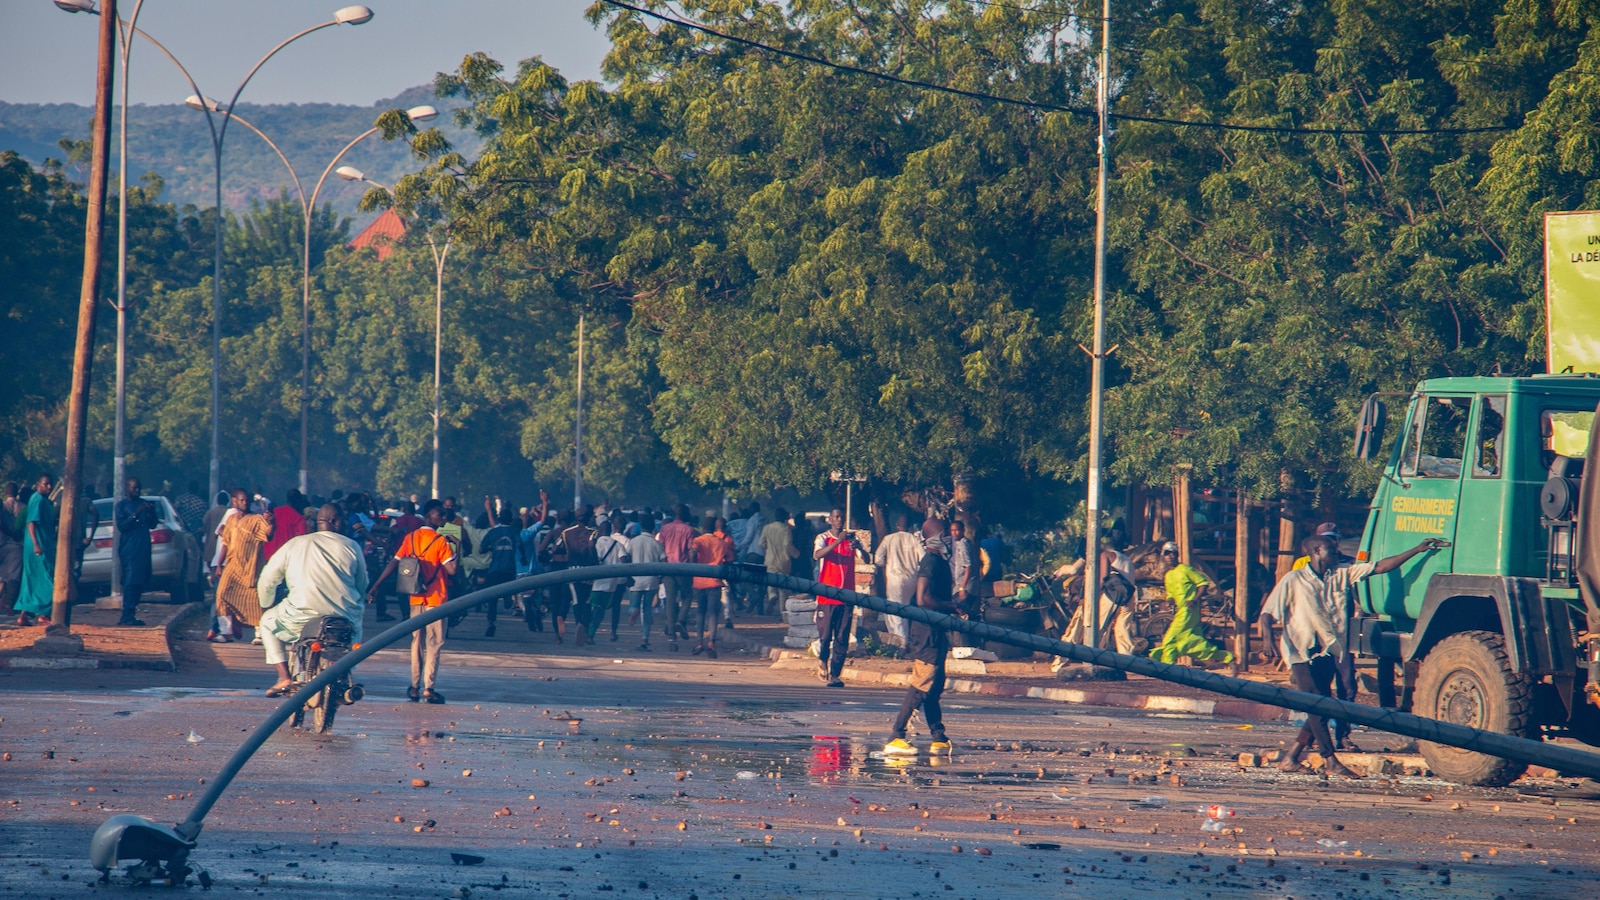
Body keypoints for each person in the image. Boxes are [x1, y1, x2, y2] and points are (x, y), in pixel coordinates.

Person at [1258, 534, 1445, 778]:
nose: (1336, 552)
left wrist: (1417, 549)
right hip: (1301, 652)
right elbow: (1267, 614)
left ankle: (1291, 756)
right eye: (1331, 549)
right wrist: (1267, 640)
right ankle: (1329, 759)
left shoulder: (1341, 574)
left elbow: (1380, 566)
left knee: (1323, 707)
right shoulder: (1293, 579)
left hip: (1328, 651)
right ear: (1316, 550)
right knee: (1316, 704)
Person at [255, 504, 369, 696]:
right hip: (343, 615)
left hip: (301, 614)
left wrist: (266, 603)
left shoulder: (295, 544)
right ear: (334, 521)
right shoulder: (352, 546)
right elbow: (362, 583)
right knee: (355, 629)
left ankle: (284, 677)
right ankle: (344, 671)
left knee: (266, 622)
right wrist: (359, 601)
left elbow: (267, 579)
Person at [883, 518, 959, 756]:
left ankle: (938, 735)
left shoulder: (940, 561)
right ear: (932, 538)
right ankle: (896, 736)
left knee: (934, 687)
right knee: (921, 684)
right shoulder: (930, 562)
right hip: (927, 633)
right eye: (943, 533)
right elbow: (923, 598)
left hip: (936, 631)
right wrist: (951, 606)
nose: (947, 537)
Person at [369, 500, 457, 703]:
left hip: (415, 596)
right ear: (430, 517)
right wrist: (457, 546)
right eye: (440, 515)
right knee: (434, 643)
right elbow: (452, 570)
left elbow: (394, 562)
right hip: (436, 600)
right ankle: (429, 687)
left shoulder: (411, 537)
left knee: (416, 642)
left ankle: (414, 686)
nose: (443, 518)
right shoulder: (441, 542)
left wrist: (376, 584)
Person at [1290, 522, 1359, 748]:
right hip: (1315, 640)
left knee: (1347, 687)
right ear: (1316, 546)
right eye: (1326, 540)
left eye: (1333, 539)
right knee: (1321, 695)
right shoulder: (1301, 567)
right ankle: (1312, 745)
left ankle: (1342, 735)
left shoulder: (1346, 565)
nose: (1331, 544)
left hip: (1341, 637)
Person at [1146, 542, 1232, 664]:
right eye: (1167, 554)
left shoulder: (1186, 569)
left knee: (1170, 638)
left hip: (1189, 609)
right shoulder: (1168, 575)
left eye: (1173, 553)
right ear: (1163, 557)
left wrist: (1194, 599)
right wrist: (1168, 601)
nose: (1170, 556)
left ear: (1177, 555)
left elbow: (1203, 583)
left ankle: (1166, 665)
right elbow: (1170, 594)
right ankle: (1225, 657)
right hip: (1180, 610)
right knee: (1193, 641)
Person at [813, 507, 869, 687]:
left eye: (841, 518)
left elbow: (867, 559)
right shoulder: (823, 538)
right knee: (826, 635)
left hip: (847, 596)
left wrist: (859, 547)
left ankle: (835, 674)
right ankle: (822, 659)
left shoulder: (852, 539)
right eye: (836, 517)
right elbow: (817, 555)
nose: (839, 520)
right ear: (830, 519)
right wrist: (838, 542)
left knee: (842, 637)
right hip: (827, 595)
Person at [214, 489, 276, 641]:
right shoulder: (231, 519)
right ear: (234, 501)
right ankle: (226, 632)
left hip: (251, 567)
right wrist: (219, 564)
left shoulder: (256, 519)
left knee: (255, 600)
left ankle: (260, 634)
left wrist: (270, 522)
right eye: (241, 500)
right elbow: (225, 543)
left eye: (247, 500)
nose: (245, 503)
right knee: (222, 595)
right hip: (232, 566)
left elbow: (268, 535)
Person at [471, 501, 519, 638]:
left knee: (491, 597)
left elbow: (481, 549)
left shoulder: (493, 533)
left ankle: (491, 621)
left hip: (495, 569)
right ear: (511, 520)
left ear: (499, 519)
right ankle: (508, 596)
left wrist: (491, 548)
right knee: (509, 587)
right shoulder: (514, 532)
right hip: (510, 569)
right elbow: (520, 546)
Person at [873, 513, 923, 644]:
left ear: (897, 525)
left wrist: (885, 566)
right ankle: (902, 639)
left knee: (895, 611)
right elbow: (923, 558)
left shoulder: (889, 539)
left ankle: (901, 642)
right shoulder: (914, 539)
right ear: (909, 526)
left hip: (895, 579)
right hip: (911, 579)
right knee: (904, 609)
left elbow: (878, 559)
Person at [15, 474, 58, 627]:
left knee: (32, 579)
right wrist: (36, 544)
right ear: (38, 484)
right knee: (47, 578)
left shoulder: (46, 501)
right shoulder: (37, 499)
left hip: (45, 543)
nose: (49, 487)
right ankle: (44, 614)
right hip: (38, 546)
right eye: (46, 484)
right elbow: (31, 523)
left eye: (50, 484)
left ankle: (24, 615)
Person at [690, 516, 735, 657]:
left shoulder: (698, 541)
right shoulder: (722, 543)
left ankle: (699, 642)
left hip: (699, 581)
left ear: (703, 528)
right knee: (713, 613)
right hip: (715, 581)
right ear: (715, 528)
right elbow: (730, 558)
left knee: (700, 612)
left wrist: (693, 566)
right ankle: (712, 642)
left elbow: (692, 552)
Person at [112, 477, 154, 627]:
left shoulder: (142, 503)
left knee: (141, 581)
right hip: (129, 549)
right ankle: (126, 615)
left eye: (138, 488)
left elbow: (153, 524)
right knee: (130, 581)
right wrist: (136, 513)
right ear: (127, 488)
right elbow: (122, 526)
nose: (136, 491)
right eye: (134, 488)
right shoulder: (122, 506)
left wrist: (151, 511)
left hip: (143, 547)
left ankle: (132, 613)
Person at [657, 504, 696, 642]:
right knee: (687, 596)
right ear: (685, 514)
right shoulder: (689, 530)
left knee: (670, 600)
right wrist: (693, 567)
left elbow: (660, 549)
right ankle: (680, 620)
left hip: (667, 568)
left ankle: (671, 633)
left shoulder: (664, 529)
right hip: (683, 568)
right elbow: (692, 551)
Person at [627, 516, 666, 650]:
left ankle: (634, 611)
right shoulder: (657, 544)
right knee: (647, 610)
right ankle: (645, 639)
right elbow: (664, 562)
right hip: (651, 581)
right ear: (653, 528)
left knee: (634, 604)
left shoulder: (633, 542)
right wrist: (661, 577)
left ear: (641, 526)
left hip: (635, 580)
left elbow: (626, 558)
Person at [589, 519, 631, 641]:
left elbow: (593, 560)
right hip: (612, 584)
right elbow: (624, 560)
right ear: (611, 530)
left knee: (593, 607)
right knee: (601, 609)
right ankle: (591, 633)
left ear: (600, 530)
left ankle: (588, 631)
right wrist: (627, 576)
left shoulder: (595, 544)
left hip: (596, 583)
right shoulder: (618, 545)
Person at [757, 507, 799, 615]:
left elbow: (761, 544)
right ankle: (782, 613)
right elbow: (787, 544)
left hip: (770, 560)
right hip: (784, 560)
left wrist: (769, 547)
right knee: (783, 588)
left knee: (771, 583)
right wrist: (796, 554)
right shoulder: (786, 529)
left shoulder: (767, 528)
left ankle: (772, 596)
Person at [263, 489, 310, 561]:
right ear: (298, 501)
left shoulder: (273, 513)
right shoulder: (299, 519)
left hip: (268, 556)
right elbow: (303, 541)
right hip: (286, 559)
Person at [949, 520, 978, 612]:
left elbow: (968, 566)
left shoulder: (963, 544)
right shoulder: (964, 542)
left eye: (957, 530)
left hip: (965, 585)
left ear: (962, 530)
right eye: (952, 530)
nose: (954, 533)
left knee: (960, 611)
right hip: (963, 584)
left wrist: (962, 588)